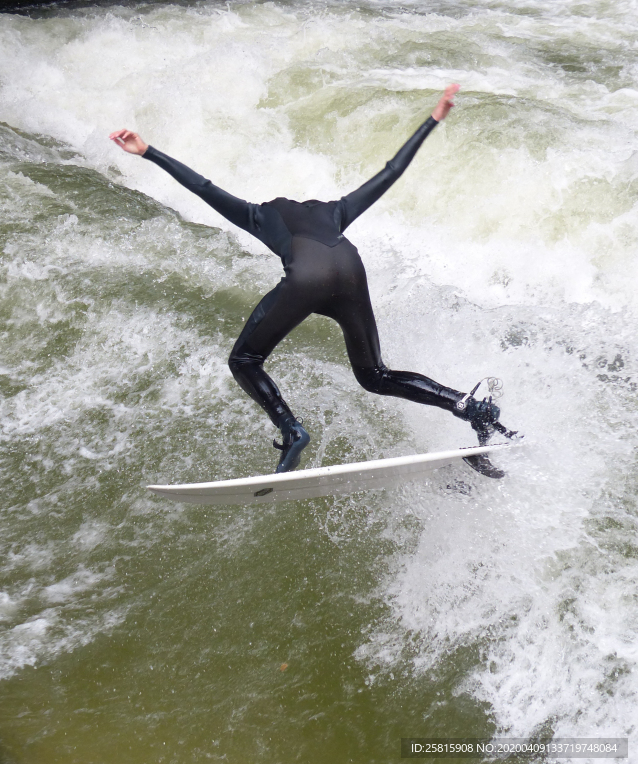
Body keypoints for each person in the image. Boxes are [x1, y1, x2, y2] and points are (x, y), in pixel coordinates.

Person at [110, 85, 516, 478]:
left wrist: (146, 151)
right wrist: (433, 119)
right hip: (352, 274)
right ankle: (468, 407)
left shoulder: (260, 213)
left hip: (309, 280)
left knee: (244, 361)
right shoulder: (335, 211)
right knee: (375, 375)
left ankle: (291, 431)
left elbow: (202, 187)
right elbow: (391, 171)